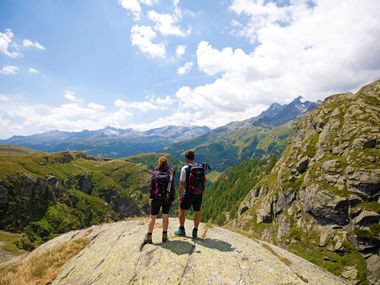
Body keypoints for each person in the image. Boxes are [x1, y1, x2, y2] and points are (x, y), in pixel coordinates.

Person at [142, 156, 175, 246]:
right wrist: (172, 197)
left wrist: (151, 197)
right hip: (167, 198)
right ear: (166, 163)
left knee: (152, 217)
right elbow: (172, 187)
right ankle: (164, 236)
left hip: (157, 198)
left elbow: (151, 187)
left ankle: (149, 236)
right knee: (165, 216)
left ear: (159, 162)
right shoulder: (170, 173)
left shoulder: (155, 173)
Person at [175, 150, 206, 239]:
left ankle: (181, 230)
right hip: (199, 194)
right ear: (193, 157)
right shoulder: (200, 167)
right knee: (197, 211)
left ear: (186, 158)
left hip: (189, 193)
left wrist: (180, 196)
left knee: (182, 210)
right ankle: (195, 231)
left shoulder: (185, 169)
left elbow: (181, 184)